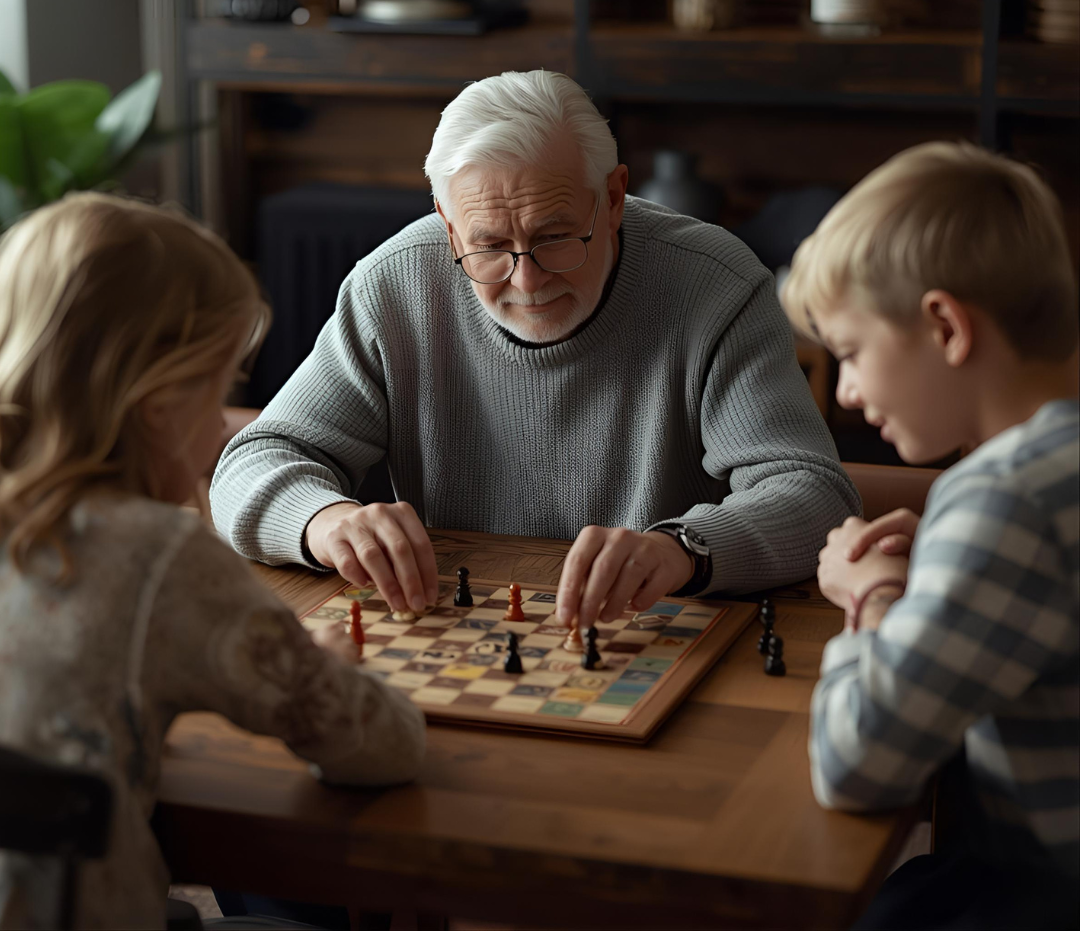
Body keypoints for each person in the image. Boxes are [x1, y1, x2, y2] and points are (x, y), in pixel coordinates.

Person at [211, 70, 859, 625]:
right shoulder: (396, 284)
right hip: (458, 629)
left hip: (649, 635)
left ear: (611, 199)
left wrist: (683, 549)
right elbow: (254, 463)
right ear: (446, 220)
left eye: (554, 237)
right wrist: (325, 521)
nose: (526, 280)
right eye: (488, 246)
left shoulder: (714, 285)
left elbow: (812, 496)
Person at [0, 194, 426, 931]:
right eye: (224, 395)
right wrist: (321, 670)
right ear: (161, 405)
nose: (226, 429)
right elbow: (381, 746)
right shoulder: (157, 554)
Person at [781, 142, 1079, 929]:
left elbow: (854, 765)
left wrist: (872, 594)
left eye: (850, 352)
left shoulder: (1006, 499)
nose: (844, 392)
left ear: (945, 326)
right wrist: (950, 545)